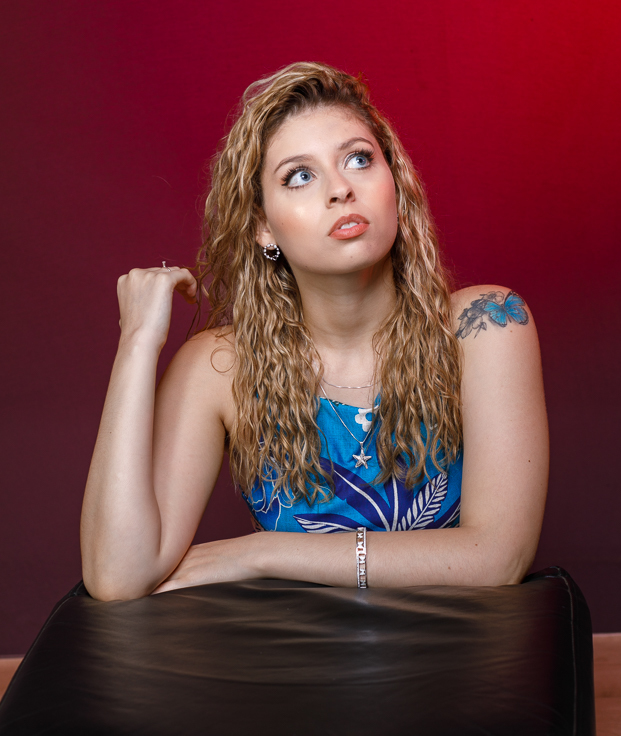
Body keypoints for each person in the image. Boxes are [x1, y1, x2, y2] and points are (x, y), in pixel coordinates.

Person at [80, 62, 548, 601]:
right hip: (293, 654)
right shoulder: (220, 368)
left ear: (394, 184)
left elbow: (499, 556)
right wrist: (137, 341)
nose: (341, 189)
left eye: (358, 159)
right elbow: (118, 575)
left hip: (456, 650)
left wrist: (259, 554)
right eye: (299, 176)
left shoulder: (486, 324)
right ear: (263, 227)